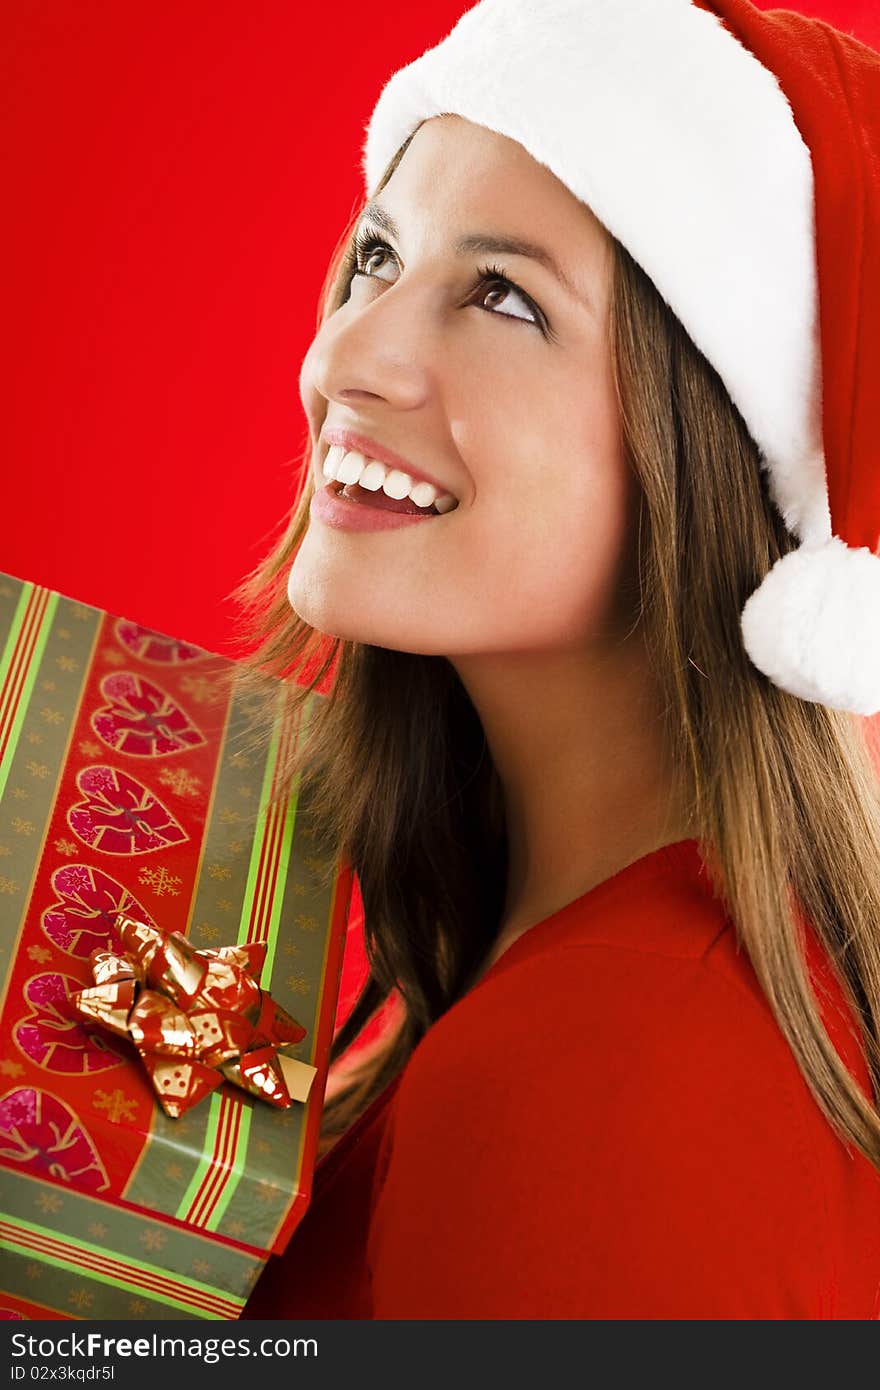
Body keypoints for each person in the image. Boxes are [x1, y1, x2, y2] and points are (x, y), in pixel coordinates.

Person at [241, 0, 880, 1318]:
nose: (343, 358)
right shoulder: (602, 973)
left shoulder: (598, 1067)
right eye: (375, 254)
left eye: (502, 297)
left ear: (702, 446)